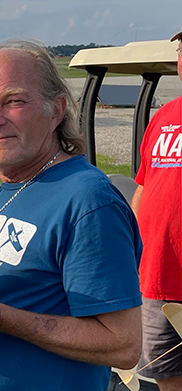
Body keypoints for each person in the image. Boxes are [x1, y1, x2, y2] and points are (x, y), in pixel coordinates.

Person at [0, 40, 143, 391]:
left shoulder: (88, 201)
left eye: (14, 101)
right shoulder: (11, 189)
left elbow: (122, 344)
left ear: (57, 110)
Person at [130, 30, 182, 391]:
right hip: (157, 278)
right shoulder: (164, 115)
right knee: (165, 375)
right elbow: (144, 189)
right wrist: (127, 250)